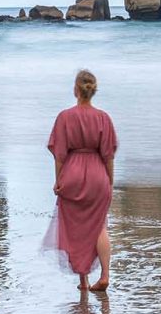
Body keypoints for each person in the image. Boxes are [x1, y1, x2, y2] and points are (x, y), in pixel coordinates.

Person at [47, 69, 118, 292]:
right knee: (99, 225)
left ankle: (84, 282)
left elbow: (60, 153)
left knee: (76, 227)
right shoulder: (103, 118)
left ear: (76, 90)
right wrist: (110, 181)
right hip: (98, 173)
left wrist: (58, 180)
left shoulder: (65, 116)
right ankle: (105, 275)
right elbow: (108, 154)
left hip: (73, 173)